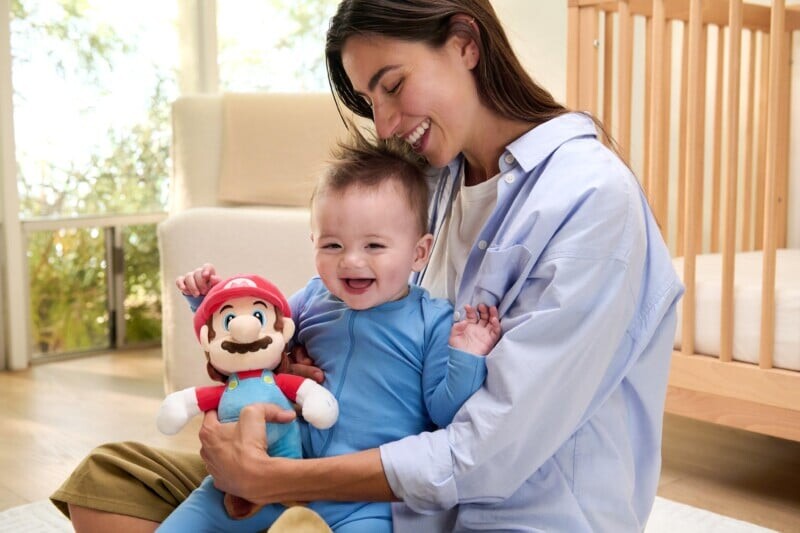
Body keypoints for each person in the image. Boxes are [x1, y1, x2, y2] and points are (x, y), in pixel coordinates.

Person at [52, 1, 683, 531]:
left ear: (464, 42)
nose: (383, 123)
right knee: (109, 483)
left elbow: (489, 452)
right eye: (366, 98)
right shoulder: (431, 180)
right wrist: (282, 394)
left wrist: (274, 480)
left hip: (495, 513)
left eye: (392, 84)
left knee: (286, 514)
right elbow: (281, 334)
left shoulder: (591, 200)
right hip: (346, 473)